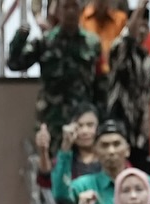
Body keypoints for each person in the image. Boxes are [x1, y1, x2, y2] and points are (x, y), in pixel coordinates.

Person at [8, 0, 103, 145]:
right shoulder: (45, 41)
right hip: (52, 119)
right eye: (66, 7)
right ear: (57, 10)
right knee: (52, 165)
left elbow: (100, 83)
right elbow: (14, 64)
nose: (70, 11)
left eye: (75, 7)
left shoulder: (92, 43)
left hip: (83, 122)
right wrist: (20, 38)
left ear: (82, 10)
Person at [54, 122, 150, 204]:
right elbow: (60, 194)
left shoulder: (145, 182)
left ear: (127, 150)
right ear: (96, 151)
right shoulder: (84, 186)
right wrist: (66, 148)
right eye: (104, 145)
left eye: (116, 144)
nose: (111, 151)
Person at [104, 0, 150, 163]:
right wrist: (140, 7)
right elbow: (127, 39)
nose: (141, 30)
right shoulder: (119, 48)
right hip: (119, 124)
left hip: (140, 131)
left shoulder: (148, 58)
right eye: (138, 25)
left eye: (145, 26)